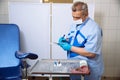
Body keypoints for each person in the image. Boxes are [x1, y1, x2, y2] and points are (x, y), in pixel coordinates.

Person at [58, 1, 104, 80]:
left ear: (86, 15)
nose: (75, 19)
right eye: (73, 16)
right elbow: (74, 39)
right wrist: (66, 41)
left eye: (77, 17)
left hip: (90, 69)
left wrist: (69, 47)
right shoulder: (74, 24)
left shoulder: (94, 29)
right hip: (74, 66)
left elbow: (91, 53)